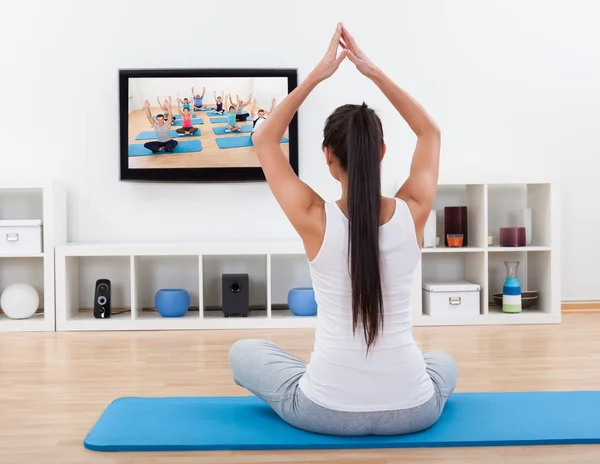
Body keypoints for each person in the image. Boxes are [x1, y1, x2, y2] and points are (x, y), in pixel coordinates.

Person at [228, 24, 456, 437]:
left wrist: (316, 75)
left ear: (328, 156)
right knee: (441, 362)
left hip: (326, 411)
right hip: (415, 411)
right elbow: (430, 132)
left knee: (244, 352)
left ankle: (317, 374)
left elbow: (265, 140)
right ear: (382, 152)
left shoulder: (314, 217)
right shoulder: (414, 211)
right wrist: (373, 72)